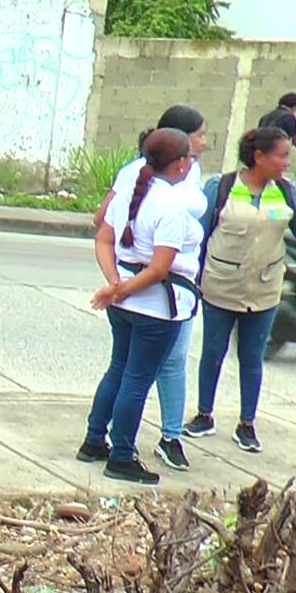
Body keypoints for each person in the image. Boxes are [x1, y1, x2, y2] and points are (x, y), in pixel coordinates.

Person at [184, 127, 296, 452]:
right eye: (282, 155)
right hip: (220, 286)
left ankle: (247, 423)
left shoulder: (286, 191)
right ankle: (204, 415)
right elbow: (201, 236)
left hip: (264, 288)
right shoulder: (222, 187)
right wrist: (195, 278)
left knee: (251, 357)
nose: (288, 162)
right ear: (259, 156)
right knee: (214, 353)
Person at [78, 129, 202, 486]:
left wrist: (116, 285)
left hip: (126, 301)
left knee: (118, 368)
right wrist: (120, 289)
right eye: (190, 158)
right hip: (156, 308)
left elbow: (103, 239)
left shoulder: (134, 191)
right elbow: (160, 268)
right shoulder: (171, 206)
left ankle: (93, 439)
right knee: (137, 379)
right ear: (180, 164)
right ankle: (120, 455)